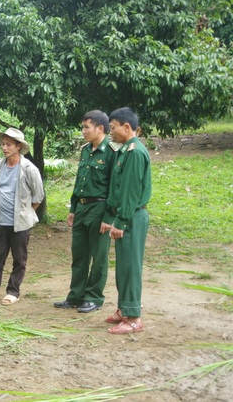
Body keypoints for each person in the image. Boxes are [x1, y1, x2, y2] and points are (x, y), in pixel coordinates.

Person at [54, 110, 120, 313]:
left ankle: (94, 297)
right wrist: (73, 208)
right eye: (82, 127)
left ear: (100, 128)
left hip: (100, 208)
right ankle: (76, 296)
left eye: (86, 127)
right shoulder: (85, 150)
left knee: (99, 256)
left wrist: (109, 217)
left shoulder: (112, 151)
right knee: (79, 255)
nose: (82, 131)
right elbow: (79, 181)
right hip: (82, 208)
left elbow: (114, 187)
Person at [0, 127, 44, 306]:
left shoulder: (29, 168)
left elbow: (38, 196)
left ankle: (13, 291)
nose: (4, 148)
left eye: (8, 144)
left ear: (18, 146)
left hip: (20, 223)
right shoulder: (0, 165)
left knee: (19, 259)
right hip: (0, 221)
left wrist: (26, 213)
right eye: (3, 144)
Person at [101, 107, 151, 334]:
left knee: (131, 267)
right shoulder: (124, 151)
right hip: (125, 215)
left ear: (126, 127)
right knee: (123, 266)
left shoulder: (135, 152)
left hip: (131, 217)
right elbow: (117, 190)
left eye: (112, 128)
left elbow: (130, 192)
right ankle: (124, 308)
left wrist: (120, 221)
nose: (110, 132)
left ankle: (134, 318)